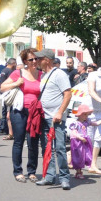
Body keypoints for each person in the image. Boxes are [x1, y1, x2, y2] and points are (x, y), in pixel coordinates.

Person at [1, 48, 44, 182]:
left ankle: (32, 171)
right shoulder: (17, 73)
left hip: (35, 112)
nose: (34, 61)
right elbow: (2, 87)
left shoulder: (41, 74)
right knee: (18, 141)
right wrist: (16, 83)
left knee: (33, 142)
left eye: (36, 59)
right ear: (25, 61)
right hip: (19, 110)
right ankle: (18, 171)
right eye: (31, 59)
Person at [34, 52, 73, 189]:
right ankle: (49, 176)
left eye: (38, 59)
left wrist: (60, 112)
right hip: (45, 117)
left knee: (60, 148)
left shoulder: (59, 74)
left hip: (56, 118)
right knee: (47, 148)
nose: (36, 61)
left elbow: (68, 94)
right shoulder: (44, 75)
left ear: (46, 60)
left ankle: (64, 177)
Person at [67, 105, 94, 178]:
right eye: (84, 114)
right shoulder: (76, 123)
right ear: (80, 114)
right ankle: (78, 172)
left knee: (84, 155)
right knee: (78, 156)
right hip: (77, 141)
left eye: (87, 114)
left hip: (84, 140)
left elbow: (95, 124)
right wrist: (80, 138)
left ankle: (79, 171)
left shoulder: (86, 122)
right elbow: (74, 133)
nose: (86, 116)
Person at [0, 56, 16, 137]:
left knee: (2, 111)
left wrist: (0, 86)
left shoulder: (3, 70)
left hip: (2, 92)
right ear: (13, 64)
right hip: (8, 93)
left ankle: (2, 128)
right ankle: (6, 129)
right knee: (7, 112)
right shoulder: (10, 71)